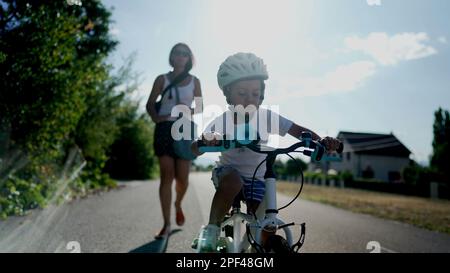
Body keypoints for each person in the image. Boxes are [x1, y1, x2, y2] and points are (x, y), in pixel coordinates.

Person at [191, 52, 341, 251]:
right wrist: (207, 140)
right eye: (242, 93)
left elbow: (298, 131)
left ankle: (258, 247)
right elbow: (195, 148)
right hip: (227, 174)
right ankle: (210, 230)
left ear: (262, 95)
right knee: (233, 181)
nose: (249, 99)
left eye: (255, 93)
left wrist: (321, 141)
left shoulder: (266, 117)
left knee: (265, 223)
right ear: (228, 93)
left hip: (257, 178)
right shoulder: (223, 120)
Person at [146, 43, 202, 239]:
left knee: (183, 179)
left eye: (184, 54)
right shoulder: (161, 79)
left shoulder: (195, 81)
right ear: (172, 56)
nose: (180, 56)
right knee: (166, 176)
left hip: (184, 128)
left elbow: (201, 107)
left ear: (189, 58)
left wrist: (186, 111)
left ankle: (178, 203)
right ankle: (166, 224)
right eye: (177, 53)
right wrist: (156, 118)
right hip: (164, 129)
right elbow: (150, 104)